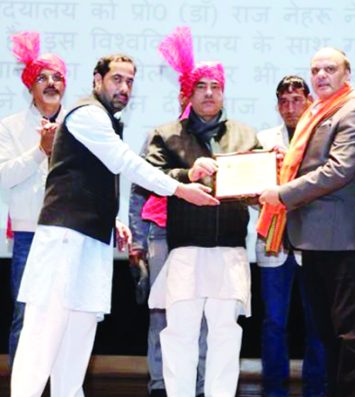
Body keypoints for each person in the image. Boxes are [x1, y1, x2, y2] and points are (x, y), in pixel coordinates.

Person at [9, 51, 218, 397]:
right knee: (41, 341)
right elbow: (124, 162)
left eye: (130, 81)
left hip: (90, 241)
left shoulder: (103, 118)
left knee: (77, 341)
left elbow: (90, 178)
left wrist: (114, 219)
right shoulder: (87, 113)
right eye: (116, 79)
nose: (124, 87)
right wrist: (180, 189)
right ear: (97, 80)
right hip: (64, 240)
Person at [145, 26, 259, 397]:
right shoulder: (166, 134)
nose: (209, 93)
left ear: (223, 91)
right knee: (179, 334)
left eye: (215, 86)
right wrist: (185, 174)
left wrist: (262, 191)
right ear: (189, 93)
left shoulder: (245, 135)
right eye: (201, 87)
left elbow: (260, 185)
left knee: (226, 336)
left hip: (230, 250)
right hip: (186, 250)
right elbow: (151, 176)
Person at [258, 47, 355, 397]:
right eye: (316, 70)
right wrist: (282, 164)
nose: (321, 75)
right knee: (327, 334)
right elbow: (311, 166)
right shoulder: (318, 114)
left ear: (346, 74)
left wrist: (283, 192)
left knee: (349, 335)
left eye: (330, 69)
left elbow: (337, 170)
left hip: (340, 240)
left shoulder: (354, 113)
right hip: (312, 240)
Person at [256, 75, 325, 397]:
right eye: (283, 101)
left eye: (297, 99)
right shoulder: (264, 139)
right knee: (273, 321)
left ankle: (316, 387)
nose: (290, 107)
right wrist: (268, 166)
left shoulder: (321, 137)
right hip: (272, 241)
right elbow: (252, 191)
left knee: (317, 321)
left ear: (309, 101)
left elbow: (327, 184)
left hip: (312, 241)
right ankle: (273, 388)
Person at [0, 31, 66, 367]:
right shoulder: (9, 127)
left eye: (57, 77)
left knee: (68, 319)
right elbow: (4, 175)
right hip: (29, 234)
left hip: (72, 235)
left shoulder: (80, 124)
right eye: (43, 77)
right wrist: (40, 152)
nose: (52, 83)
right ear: (30, 86)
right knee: (26, 316)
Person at [129, 136, 208, 396]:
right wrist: (137, 241)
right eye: (187, 93)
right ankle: (160, 384)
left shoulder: (211, 140)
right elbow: (139, 188)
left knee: (202, 313)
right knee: (160, 312)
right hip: (161, 233)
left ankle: (200, 385)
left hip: (200, 236)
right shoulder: (161, 138)